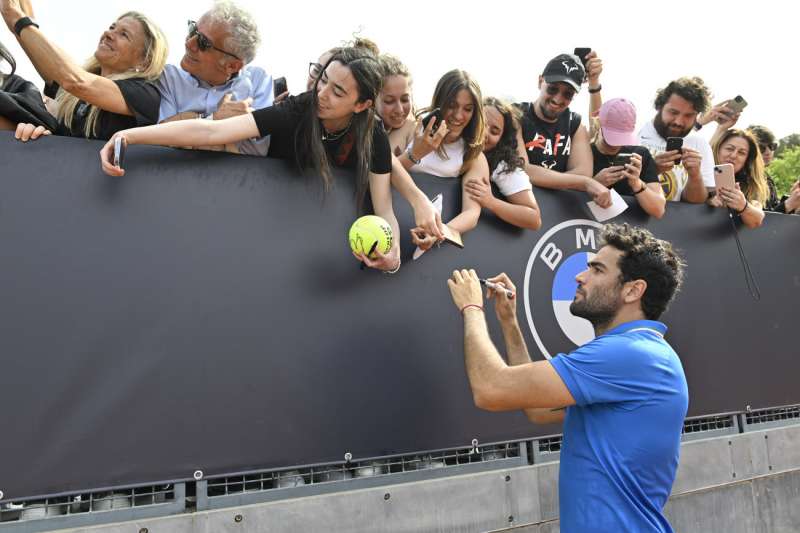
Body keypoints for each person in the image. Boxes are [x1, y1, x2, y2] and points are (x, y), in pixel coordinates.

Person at [99, 46, 441, 272]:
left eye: (338, 91)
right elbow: (212, 132)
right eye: (324, 80)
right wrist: (131, 135)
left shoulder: (373, 138)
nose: (322, 94)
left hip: (314, 248)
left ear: (363, 105)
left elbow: (384, 211)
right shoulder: (298, 108)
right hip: (258, 228)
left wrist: (392, 258)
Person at [446, 223, 687, 533]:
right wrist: (508, 322)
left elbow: (490, 389)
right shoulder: (635, 354)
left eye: (597, 270)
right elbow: (537, 409)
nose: (580, 275)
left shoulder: (630, 354)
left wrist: (471, 307)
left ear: (632, 290)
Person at [1, 0, 167, 141]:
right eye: (112, 27)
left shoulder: (145, 94)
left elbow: (75, 81)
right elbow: (53, 67)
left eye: (124, 34)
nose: (109, 33)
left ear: (145, 61)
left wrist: (17, 18)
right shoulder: (74, 97)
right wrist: (21, 18)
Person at [156, 1, 272, 155]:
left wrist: (186, 127)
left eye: (204, 43)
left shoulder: (259, 81)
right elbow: (161, 138)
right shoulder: (169, 77)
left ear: (232, 66)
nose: (189, 43)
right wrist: (214, 120)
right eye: (193, 30)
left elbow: (256, 152)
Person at [396, 69, 488, 248]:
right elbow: (379, 173)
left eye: (468, 109)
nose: (459, 115)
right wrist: (415, 154)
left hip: (427, 242)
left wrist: (439, 232)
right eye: (452, 105)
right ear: (439, 101)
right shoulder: (409, 128)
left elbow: (471, 213)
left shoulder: (473, 155)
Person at [514, 53, 611, 208]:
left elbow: (584, 172)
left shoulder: (575, 123)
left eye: (568, 94)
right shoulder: (516, 115)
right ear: (540, 81)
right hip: (521, 207)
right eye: (552, 89)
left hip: (557, 213)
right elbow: (522, 170)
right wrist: (582, 183)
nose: (558, 99)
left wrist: (581, 180)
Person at [467, 97, 541, 230]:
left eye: (494, 131)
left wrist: (491, 201)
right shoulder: (451, 143)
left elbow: (534, 219)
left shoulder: (503, 167)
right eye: (481, 124)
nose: (484, 133)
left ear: (502, 139)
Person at [638, 77, 715, 203]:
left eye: (688, 115)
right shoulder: (636, 132)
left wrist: (695, 176)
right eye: (673, 112)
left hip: (676, 221)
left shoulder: (699, 144)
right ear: (659, 106)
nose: (679, 122)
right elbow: (616, 187)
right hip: (631, 220)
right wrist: (652, 170)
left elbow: (696, 203)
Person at [591, 98, 666, 218]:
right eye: (612, 138)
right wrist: (594, 184)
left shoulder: (640, 155)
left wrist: (636, 183)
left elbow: (658, 210)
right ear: (598, 125)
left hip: (628, 231)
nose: (616, 144)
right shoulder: (584, 153)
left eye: (621, 138)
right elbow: (565, 202)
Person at [709, 129, 767, 228]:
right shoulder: (700, 173)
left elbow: (757, 220)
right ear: (718, 149)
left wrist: (743, 205)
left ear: (747, 160)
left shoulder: (749, 186)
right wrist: (707, 202)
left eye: (741, 153)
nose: (733, 155)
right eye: (729, 149)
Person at [376, 54, 415, 156]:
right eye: (389, 101)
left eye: (405, 99)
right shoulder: (363, 128)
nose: (399, 109)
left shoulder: (412, 126)